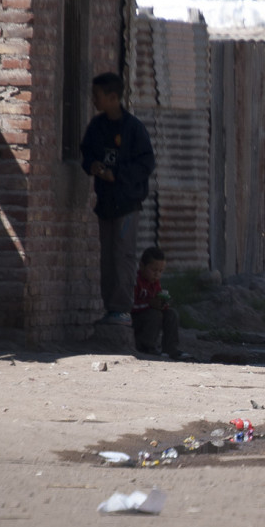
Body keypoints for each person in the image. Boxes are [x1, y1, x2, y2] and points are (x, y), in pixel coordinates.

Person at [80, 72, 156, 327]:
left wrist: (118, 175)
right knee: (108, 257)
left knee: (123, 255)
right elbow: (86, 153)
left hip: (127, 205)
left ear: (113, 97)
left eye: (97, 95)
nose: (93, 100)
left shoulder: (133, 129)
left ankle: (122, 310)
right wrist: (92, 166)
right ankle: (110, 308)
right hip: (105, 204)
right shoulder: (97, 127)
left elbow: (146, 163)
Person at [132, 247, 184, 360]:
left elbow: (157, 300)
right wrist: (149, 304)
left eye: (160, 271)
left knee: (171, 314)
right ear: (141, 266)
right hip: (136, 319)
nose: (157, 274)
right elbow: (130, 306)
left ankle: (171, 349)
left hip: (150, 314)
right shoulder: (135, 281)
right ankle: (147, 347)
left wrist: (163, 304)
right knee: (155, 315)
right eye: (153, 270)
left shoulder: (155, 283)